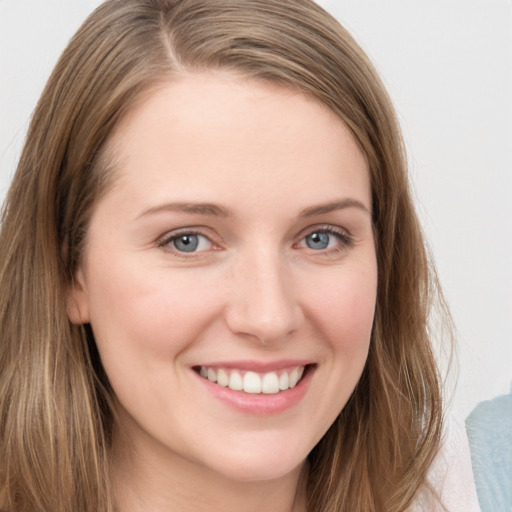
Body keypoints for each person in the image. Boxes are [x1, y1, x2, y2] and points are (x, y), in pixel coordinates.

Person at [0, 1, 480, 511]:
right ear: (70, 271)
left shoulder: (465, 484)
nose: (269, 317)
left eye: (321, 237)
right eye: (188, 240)